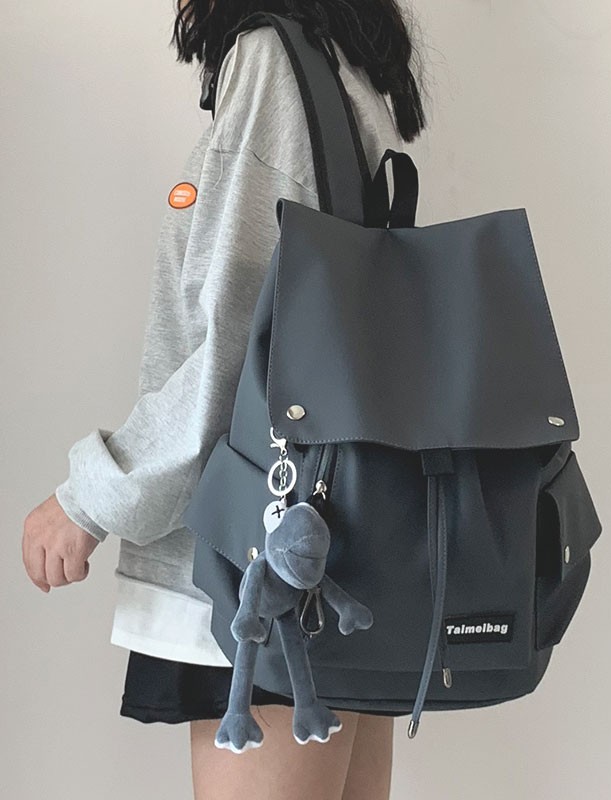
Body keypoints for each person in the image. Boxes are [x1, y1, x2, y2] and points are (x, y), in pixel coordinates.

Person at [21, 2, 428, 798]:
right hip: (343, 544)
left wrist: (93, 496)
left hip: (259, 566)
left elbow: (237, 348)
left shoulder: (273, 63)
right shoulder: (341, 65)